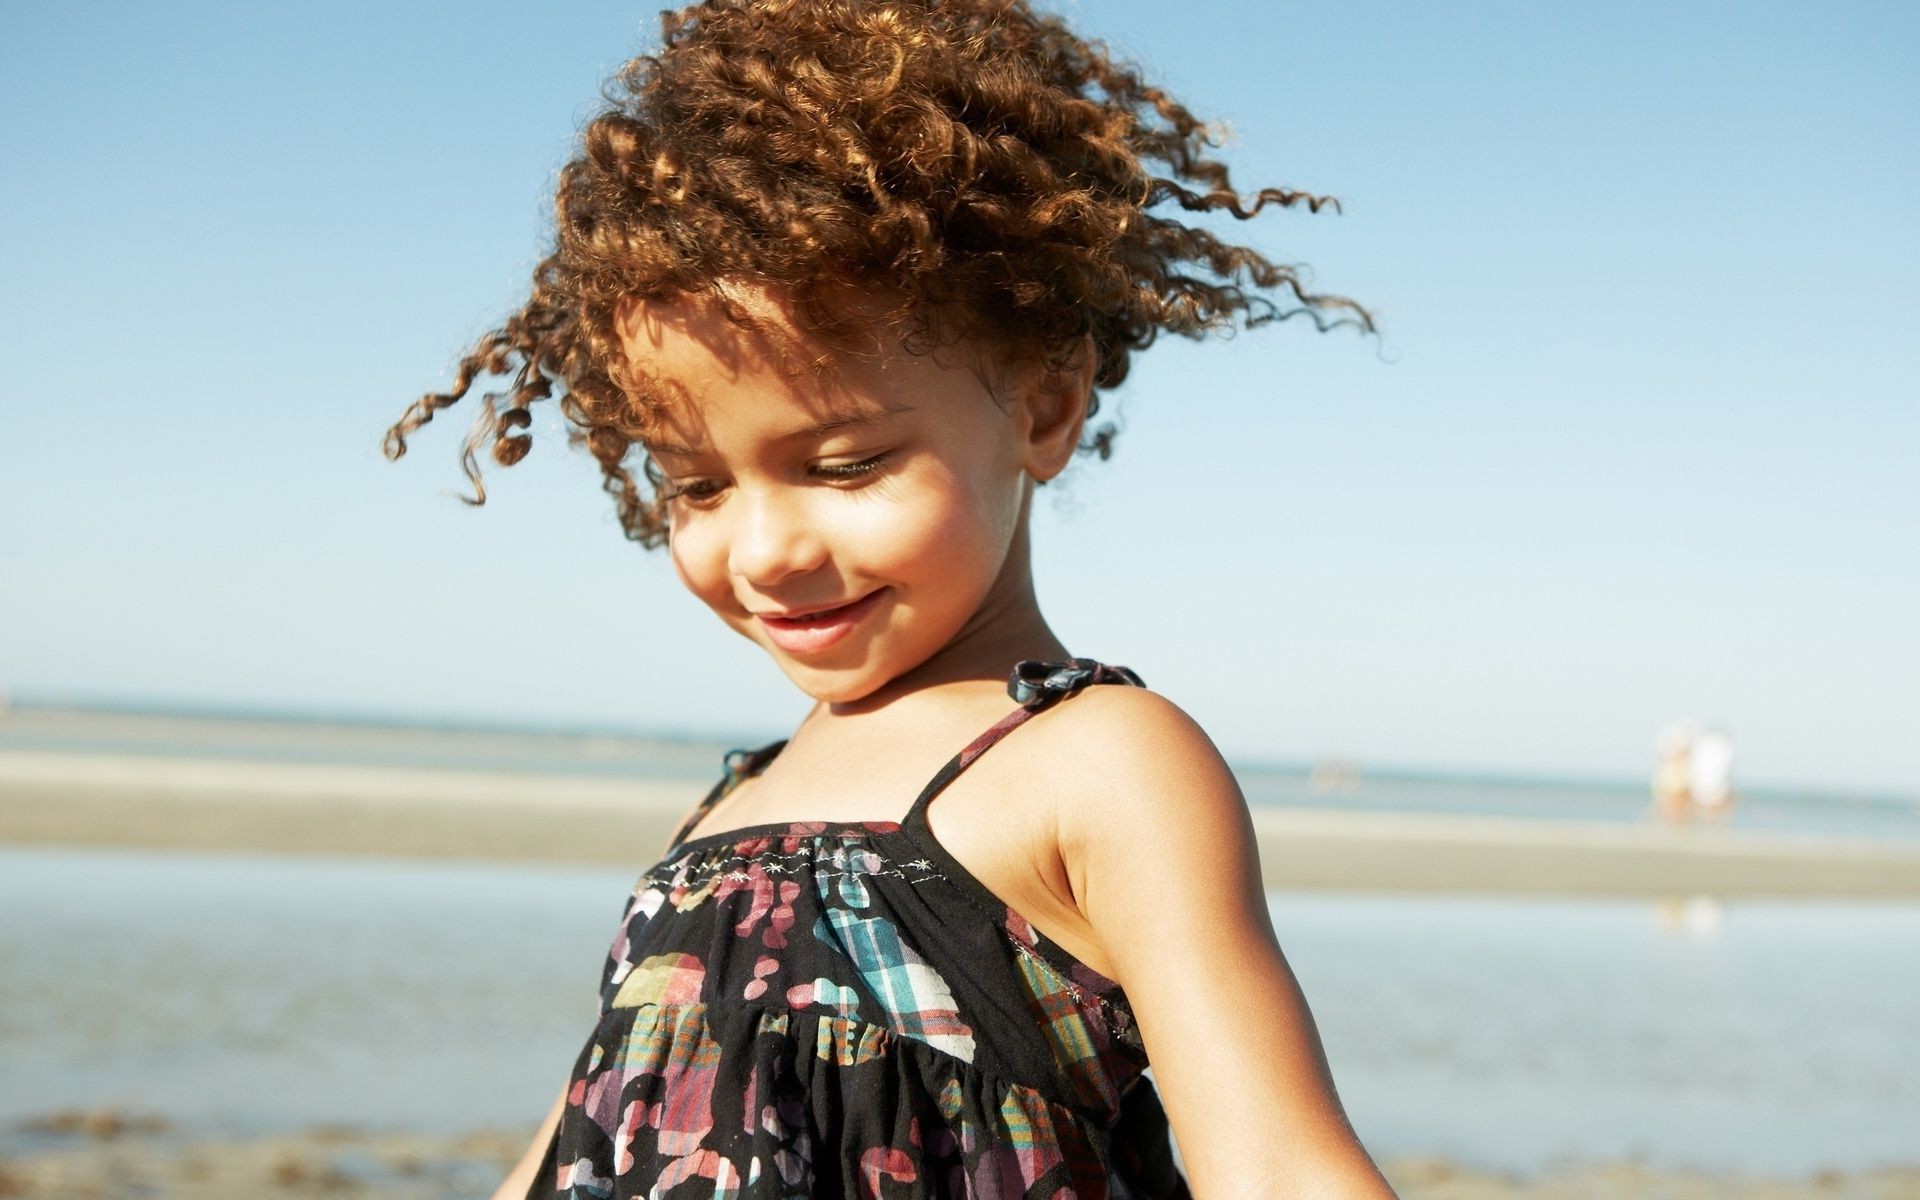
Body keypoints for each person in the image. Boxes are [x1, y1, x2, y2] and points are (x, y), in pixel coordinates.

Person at [384, 2, 1392, 1196]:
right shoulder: (730, 807)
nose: (763, 551)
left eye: (846, 464)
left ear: (1046, 404)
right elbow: (586, 1138)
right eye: (696, 484)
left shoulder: (1100, 765)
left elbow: (1276, 1165)